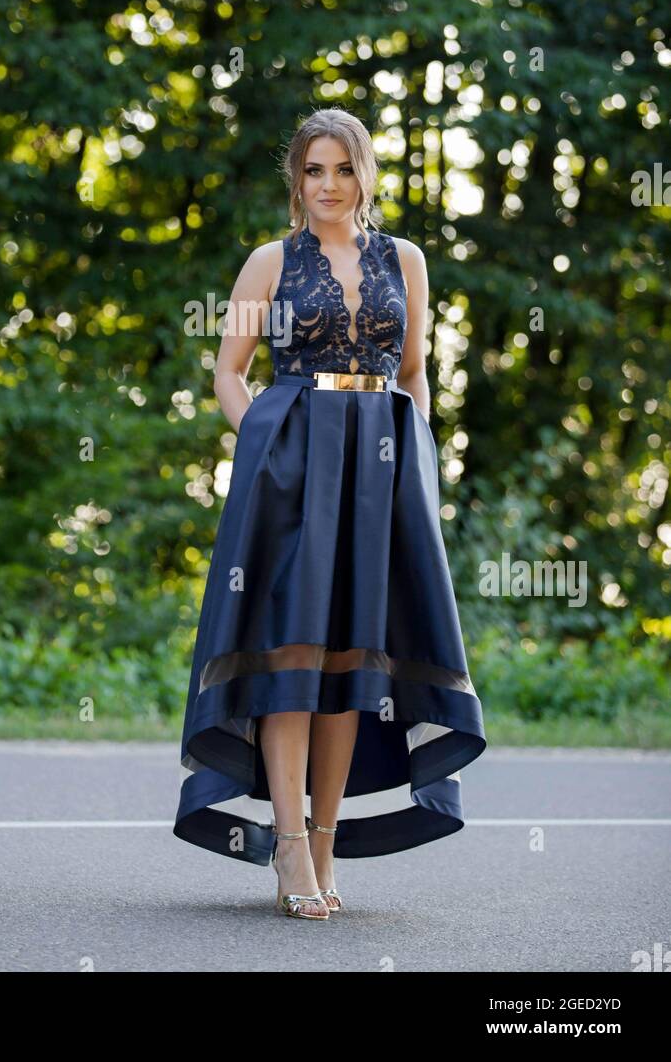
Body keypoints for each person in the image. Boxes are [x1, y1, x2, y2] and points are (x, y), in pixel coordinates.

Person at [173, 108, 486, 919]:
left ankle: (323, 842)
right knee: (294, 656)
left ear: (364, 175)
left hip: (379, 480)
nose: (328, 186)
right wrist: (269, 450)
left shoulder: (405, 261)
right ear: (296, 181)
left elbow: (413, 374)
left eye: (342, 169)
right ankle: (284, 846)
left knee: (355, 659)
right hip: (291, 478)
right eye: (313, 171)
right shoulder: (269, 262)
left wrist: (416, 464)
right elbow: (229, 374)